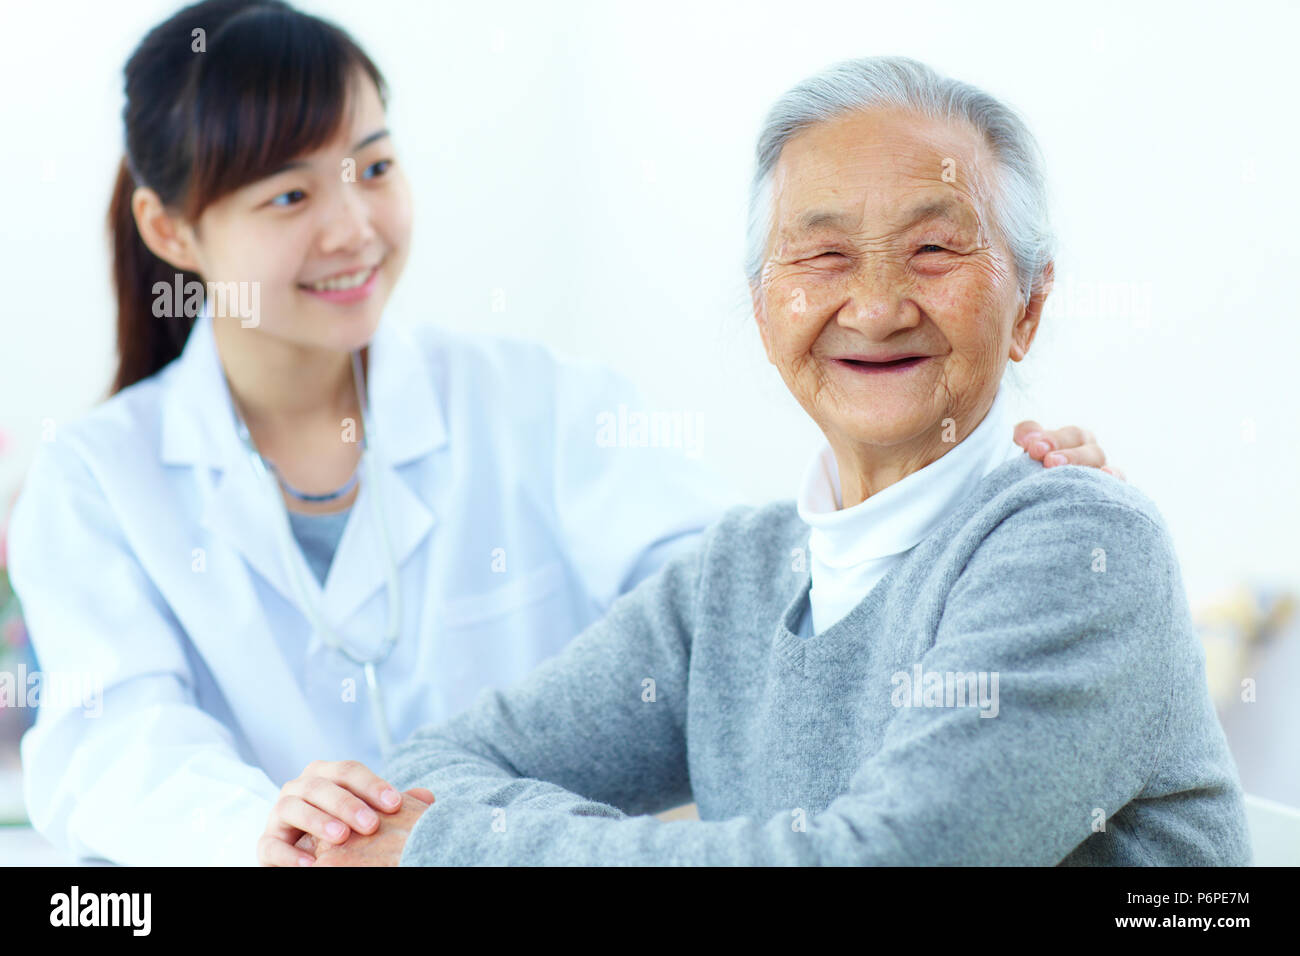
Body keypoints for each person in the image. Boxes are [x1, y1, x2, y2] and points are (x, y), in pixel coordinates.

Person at [5, 2, 1115, 868]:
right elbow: (110, 740)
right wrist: (278, 832)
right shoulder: (98, 475)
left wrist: (961, 502)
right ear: (169, 227)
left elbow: (749, 609)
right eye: (289, 197)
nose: (354, 228)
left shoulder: (528, 402)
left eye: (375, 168)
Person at [292, 56, 1250, 867]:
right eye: (823, 257)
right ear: (763, 309)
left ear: (1030, 307)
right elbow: (436, 768)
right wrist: (434, 824)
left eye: (933, 249)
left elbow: (890, 860)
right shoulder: (739, 572)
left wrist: (459, 844)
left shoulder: (1082, 544)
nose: (875, 308)